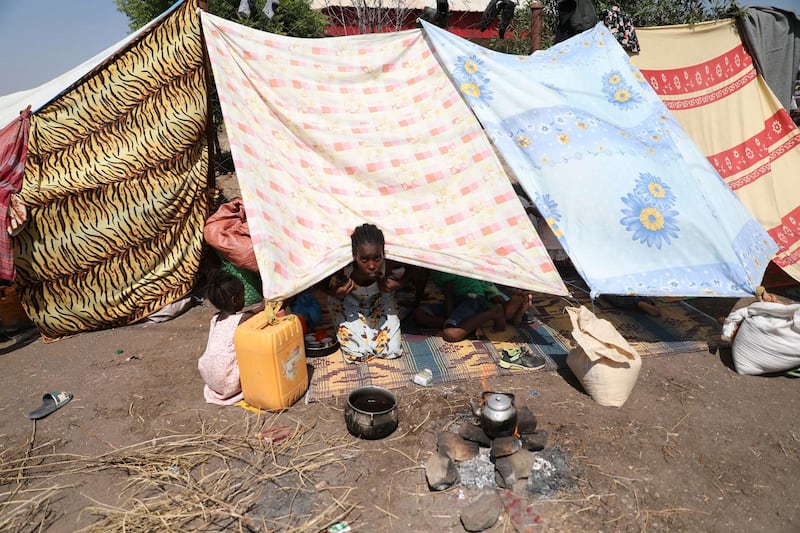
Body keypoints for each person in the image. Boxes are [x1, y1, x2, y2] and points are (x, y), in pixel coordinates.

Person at [320, 223, 405, 363]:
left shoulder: (388, 264)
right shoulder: (343, 269)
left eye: (377, 258)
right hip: (348, 303)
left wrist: (399, 283)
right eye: (364, 259)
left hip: (380, 301)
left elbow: (420, 268)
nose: (372, 266)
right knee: (356, 354)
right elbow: (313, 284)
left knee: (391, 350)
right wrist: (333, 292)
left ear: (383, 253)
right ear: (354, 255)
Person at [197, 271, 255, 405]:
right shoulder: (243, 319)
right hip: (228, 382)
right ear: (235, 300)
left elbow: (248, 313)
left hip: (209, 378)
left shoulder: (215, 319)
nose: (245, 299)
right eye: (243, 296)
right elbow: (253, 315)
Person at [413, 271, 507, 343]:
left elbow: (448, 293)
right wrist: (415, 303)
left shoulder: (443, 263)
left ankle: (495, 312)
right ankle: (469, 326)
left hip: (471, 297)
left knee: (450, 334)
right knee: (419, 314)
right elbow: (422, 281)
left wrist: (450, 318)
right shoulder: (424, 264)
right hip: (456, 301)